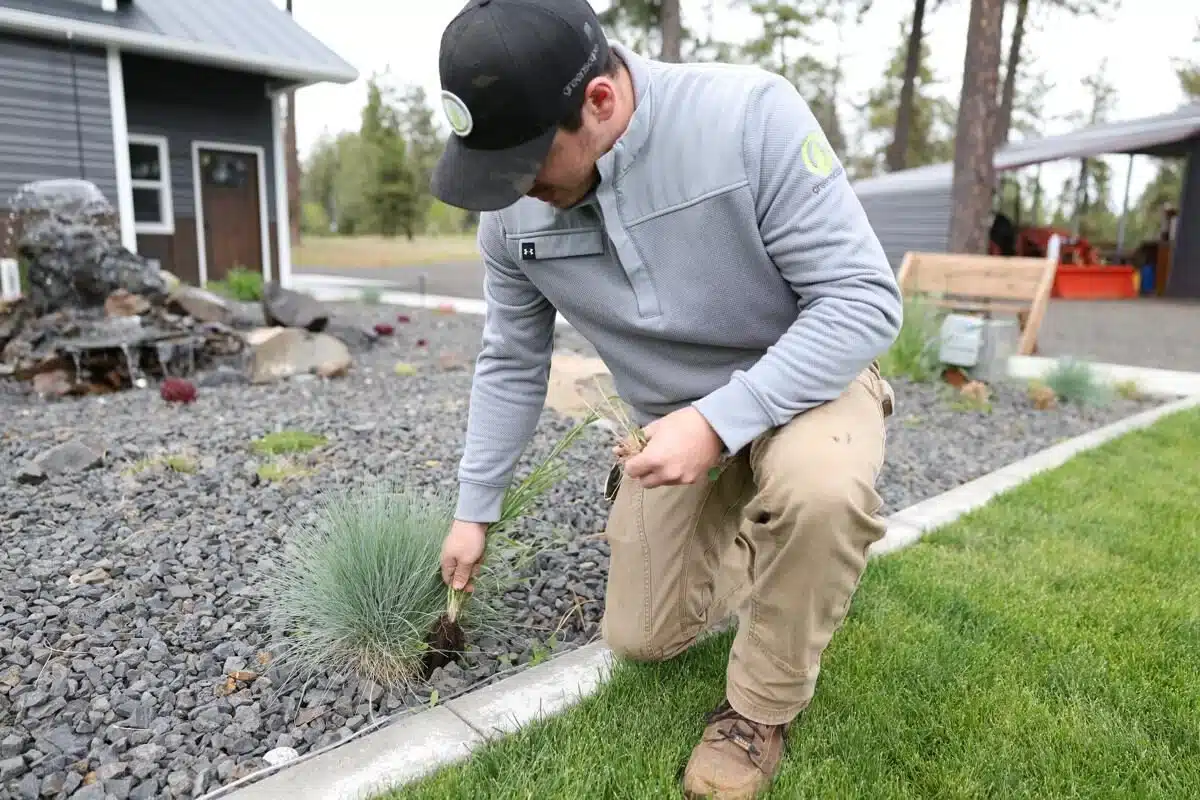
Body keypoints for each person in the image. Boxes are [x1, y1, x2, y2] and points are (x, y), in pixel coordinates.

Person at [431, 1, 902, 797]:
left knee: (820, 491)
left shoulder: (748, 118)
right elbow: (511, 360)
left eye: (526, 162)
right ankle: (766, 546)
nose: (514, 189)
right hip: (675, 418)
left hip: (808, 385)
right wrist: (473, 511)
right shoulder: (511, 217)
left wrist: (716, 425)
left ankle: (757, 713)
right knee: (644, 636)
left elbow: (862, 301)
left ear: (600, 102)